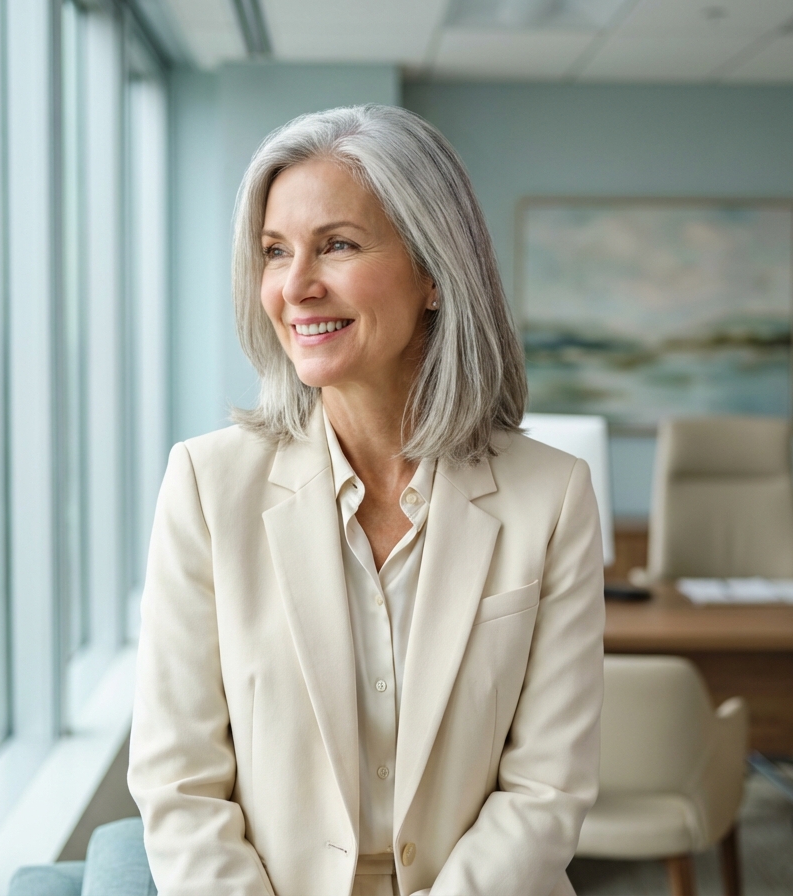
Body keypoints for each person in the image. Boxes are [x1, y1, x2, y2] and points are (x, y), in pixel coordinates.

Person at [128, 104, 605, 896]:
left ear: (432, 273)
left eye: (337, 245)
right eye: (275, 253)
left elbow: (546, 790)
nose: (296, 287)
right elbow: (180, 789)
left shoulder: (550, 497)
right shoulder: (208, 488)